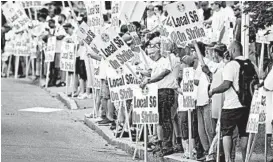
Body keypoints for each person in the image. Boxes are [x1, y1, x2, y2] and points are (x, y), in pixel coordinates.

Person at [208, 41, 257, 162]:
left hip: (231, 105)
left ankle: (228, 159)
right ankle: (245, 159)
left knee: (226, 133)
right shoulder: (251, 64)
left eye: (229, 49)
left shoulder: (231, 65)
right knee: (244, 133)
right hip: (247, 105)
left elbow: (226, 84)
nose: (228, 52)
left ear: (234, 50)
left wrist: (213, 91)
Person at [140, 43, 176, 157]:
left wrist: (149, 81)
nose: (151, 55)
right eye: (149, 54)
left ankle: (167, 145)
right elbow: (151, 73)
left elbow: (162, 74)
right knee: (160, 120)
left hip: (166, 91)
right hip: (157, 91)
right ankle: (161, 143)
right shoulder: (154, 63)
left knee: (165, 119)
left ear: (159, 51)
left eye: (153, 53)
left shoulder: (166, 60)